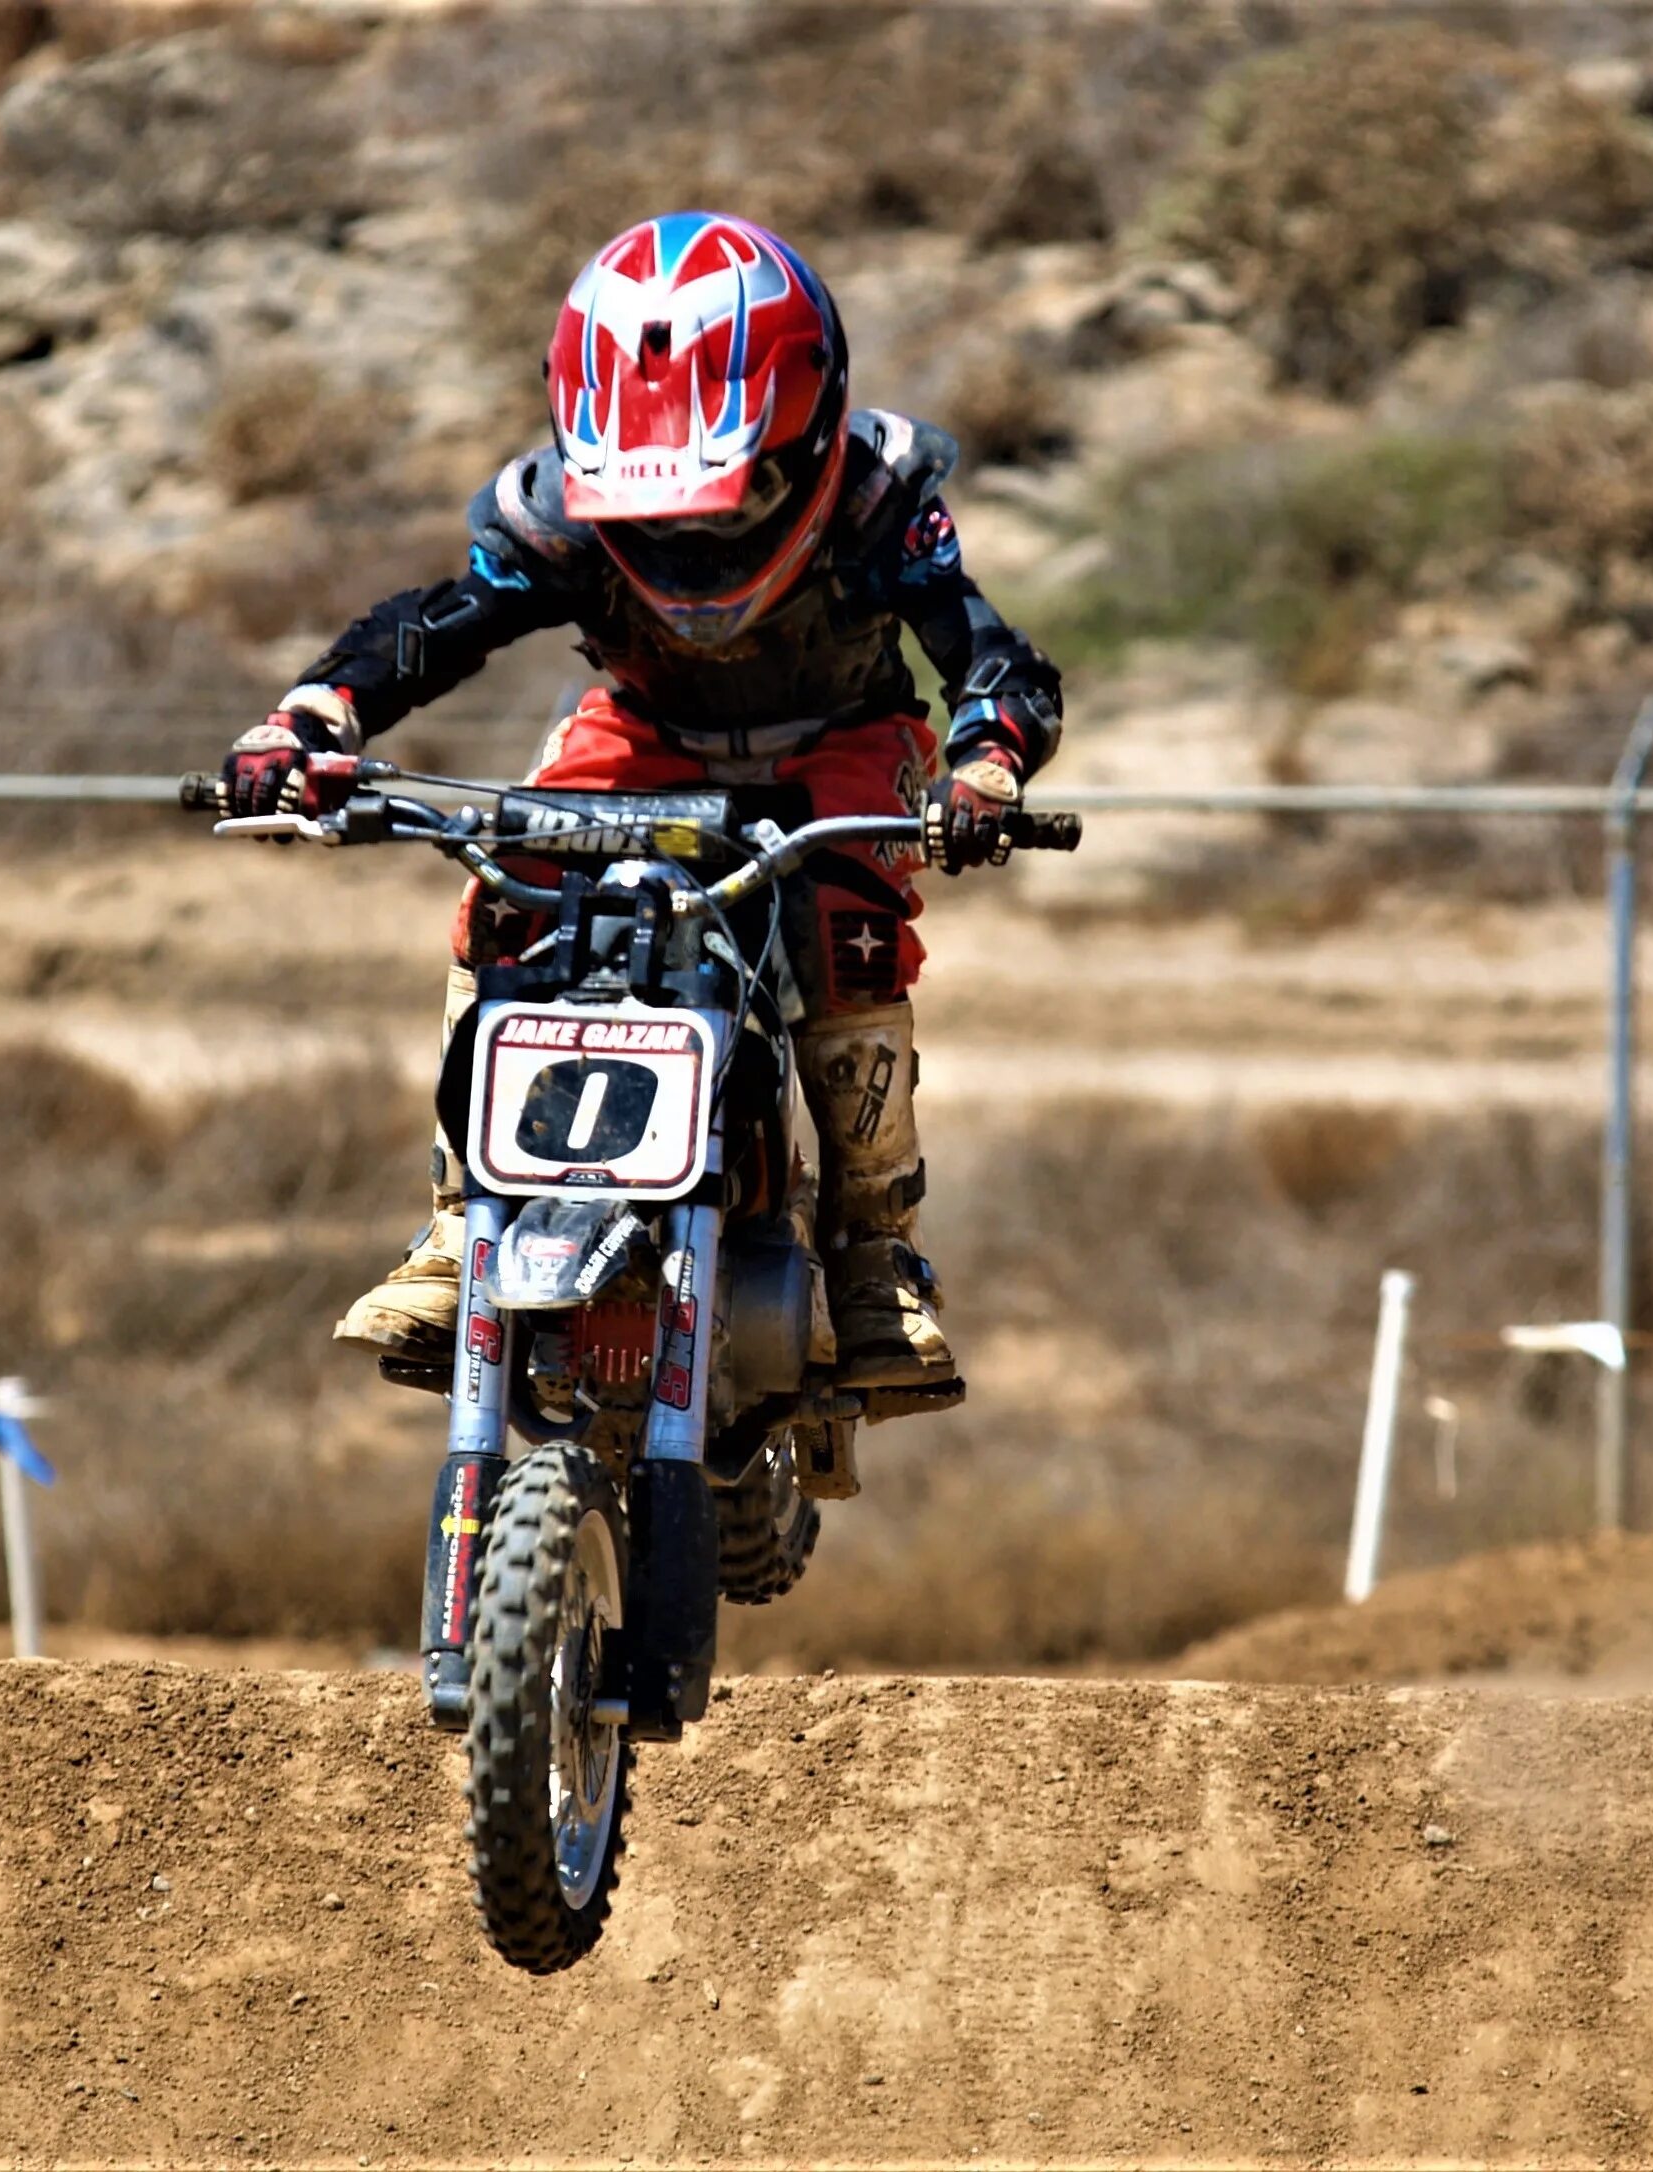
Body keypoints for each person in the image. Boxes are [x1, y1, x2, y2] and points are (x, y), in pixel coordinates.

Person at [222, 211, 1063, 1399]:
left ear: (807, 432)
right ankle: (464, 1222)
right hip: (645, 737)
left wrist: (983, 767)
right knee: (502, 890)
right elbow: (437, 627)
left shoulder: (877, 504)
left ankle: (876, 1253)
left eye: (723, 501)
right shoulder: (558, 515)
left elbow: (991, 657)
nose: (687, 536)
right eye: (649, 510)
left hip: (839, 740)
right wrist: (310, 718)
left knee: (848, 922)